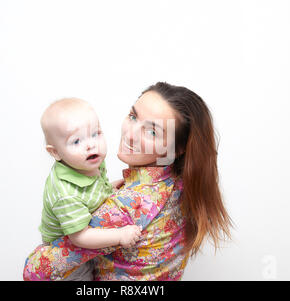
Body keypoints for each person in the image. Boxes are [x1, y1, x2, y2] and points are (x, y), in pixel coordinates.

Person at [23, 82, 233, 280]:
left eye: (151, 132)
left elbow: (34, 271)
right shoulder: (180, 183)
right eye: (133, 116)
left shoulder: (128, 206)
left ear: (176, 149)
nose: (130, 134)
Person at [38, 97, 141, 280]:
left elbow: (91, 190)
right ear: (55, 152)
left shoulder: (89, 162)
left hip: (83, 230)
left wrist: (109, 188)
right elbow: (80, 238)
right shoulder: (65, 191)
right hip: (64, 251)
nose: (91, 144)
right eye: (76, 141)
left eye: (96, 134)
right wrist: (120, 235)